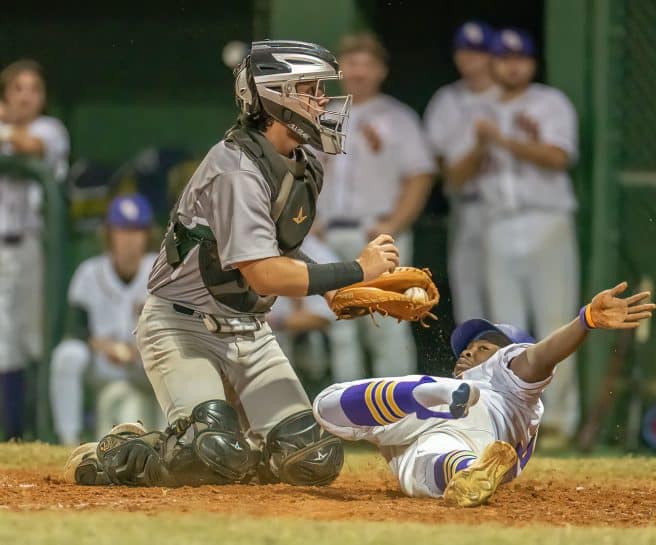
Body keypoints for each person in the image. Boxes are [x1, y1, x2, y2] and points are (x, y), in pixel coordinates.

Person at [66, 40, 401, 488]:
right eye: (311, 88)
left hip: (248, 328)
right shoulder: (237, 169)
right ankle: (118, 455)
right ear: (276, 96)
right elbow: (263, 273)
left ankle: (229, 458)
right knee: (207, 452)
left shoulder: (299, 163)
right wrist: (355, 270)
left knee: (311, 456)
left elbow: (274, 248)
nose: (323, 100)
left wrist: (329, 286)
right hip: (183, 325)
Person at [314, 282, 655, 506]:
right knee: (425, 469)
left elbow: (540, 357)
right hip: (472, 440)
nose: (468, 352)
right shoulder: (520, 417)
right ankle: (468, 466)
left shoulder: (508, 374)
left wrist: (586, 320)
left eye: (483, 347)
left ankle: (432, 394)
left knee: (327, 404)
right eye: (467, 348)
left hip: (477, 411)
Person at [473, 28, 581, 445]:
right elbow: (457, 171)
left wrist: (502, 139)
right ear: (493, 62)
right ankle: (511, 417)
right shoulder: (478, 108)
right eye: (504, 58)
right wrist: (482, 145)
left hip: (546, 218)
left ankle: (561, 420)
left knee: (556, 319)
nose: (513, 65)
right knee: (507, 326)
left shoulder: (550, 103)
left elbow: (559, 156)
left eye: (521, 58)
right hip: (497, 221)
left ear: (532, 64)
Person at [317, 32, 436, 380]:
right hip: (328, 231)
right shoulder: (323, 114)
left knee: (386, 320)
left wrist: (395, 223)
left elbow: (420, 176)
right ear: (340, 69)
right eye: (352, 63)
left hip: (377, 230)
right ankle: (347, 409)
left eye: (367, 65)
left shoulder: (399, 118)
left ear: (381, 71)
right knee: (339, 323)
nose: (359, 72)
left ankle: (395, 406)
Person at [50, 194, 163, 445]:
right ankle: (67, 440)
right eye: (122, 230)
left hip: (146, 367)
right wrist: (106, 346)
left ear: (147, 235)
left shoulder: (159, 271)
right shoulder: (89, 273)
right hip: (103, 365)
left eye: (136, 230)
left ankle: (175, 442)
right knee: (67, 355)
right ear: (109, 233)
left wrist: (136, 352)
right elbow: (76, 331)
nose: (129, 238)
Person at [0, 59, 69, 440]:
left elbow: (31, 145)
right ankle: (9, 434)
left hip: (30, 248)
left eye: (34, 89)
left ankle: (33, 430)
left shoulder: (51, 129)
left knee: (32, 340)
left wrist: (5, 126)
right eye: (18, 89)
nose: (26, 96)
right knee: (2, 341)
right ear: (6, 95)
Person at [424, 21, 498, 323]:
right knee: (468, 295)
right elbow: (442, 167)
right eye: (465, 51)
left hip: (507, 209)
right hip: (465, 205)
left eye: (479, 51)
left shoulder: (511, 98)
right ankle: (475, 367)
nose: (471, 59)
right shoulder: (446, 100)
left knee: (503, 297)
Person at [266, 234, 338, 388]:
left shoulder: (318, 253)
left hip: (296, 339)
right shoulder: (256, 249)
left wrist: (279, 322)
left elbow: (324, 317)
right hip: (262, 342)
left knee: (312, 339)